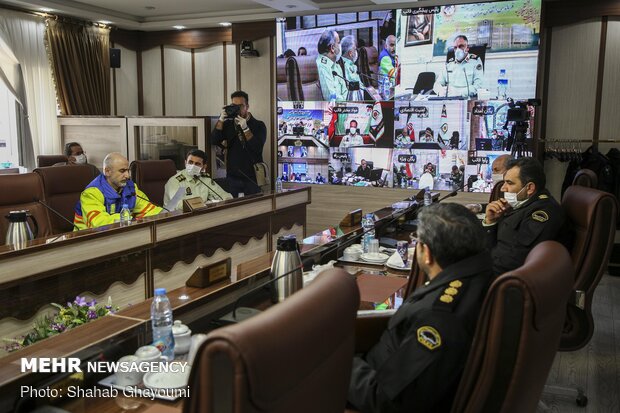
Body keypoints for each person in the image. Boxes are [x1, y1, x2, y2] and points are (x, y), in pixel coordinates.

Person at [348, 203, 493, 412]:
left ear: (426, 253)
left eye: (417, 241)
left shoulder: (438, 317)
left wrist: (339, 362)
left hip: (370, 391)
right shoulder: (480, 276)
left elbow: (384, 398)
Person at [484, 157, 565, 275]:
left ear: (529, 188)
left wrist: (479, 265)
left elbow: (517, 260)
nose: (502, 188)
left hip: (508, 280)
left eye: (509, 183)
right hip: (494, 267)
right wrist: (490, 221)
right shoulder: (522, 205)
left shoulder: (542, 213)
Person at [73, 152, 162, 230]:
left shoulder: (131, 188)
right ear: (107, 171)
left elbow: (150, 211)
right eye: (122, 171)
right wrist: (130, 219)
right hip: (86, 241)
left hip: (120, 236)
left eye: (128, 171)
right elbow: (99, 224)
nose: (127, 176)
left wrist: (167, 214)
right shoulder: (91, 193)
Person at [212, 90, 266, 197]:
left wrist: (246, 128)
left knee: (253, 206)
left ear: (247, 106)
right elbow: (214, 140)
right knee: (232, 207)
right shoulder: (228, 124)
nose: (237, 109)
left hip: (252, 175)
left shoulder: (258, 125)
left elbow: (257, 147)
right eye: (234, 106)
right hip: (233, 174)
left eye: (240, 106)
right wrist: (221, 120)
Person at [163, 149, 232, 211]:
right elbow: (179, 206)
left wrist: (208, 203)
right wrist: (206, 204)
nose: (193, 166)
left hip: (199, 215)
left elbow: (225, 197)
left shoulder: (205, 179)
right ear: (185, 163)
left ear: (204, 167)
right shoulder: (176, 181)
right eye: (190, 162)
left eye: (197, 164)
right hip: (175, 218)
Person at [340, 35, 381, 102]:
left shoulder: (352, 65)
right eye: (355, 49)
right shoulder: (345, 66)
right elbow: (356, 88)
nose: (356, 52)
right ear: (350, 53)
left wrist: (373, 92)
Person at [316, 29, 347, 101]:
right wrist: (346, 100)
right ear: (332, 48)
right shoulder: (322, 65)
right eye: (338, 43)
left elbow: (346, 91)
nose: (340, 46)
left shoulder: (336, 65)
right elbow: (330, 97)